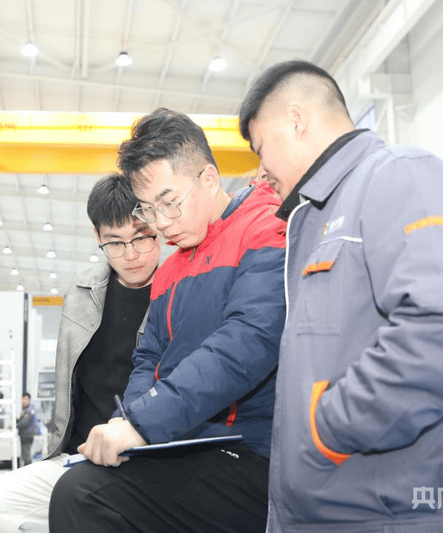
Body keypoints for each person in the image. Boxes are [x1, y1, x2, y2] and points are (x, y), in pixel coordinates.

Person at [239, 59, 443, 532]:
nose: (262, 170)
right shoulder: (318, 218)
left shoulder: (400, 176)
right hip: (340, 512)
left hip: (397, 515)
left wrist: (329, 426)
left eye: (261, 148)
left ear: (295, 119)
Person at [49, 108, 287, 533]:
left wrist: (143, 424)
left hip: (252, 451)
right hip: (186, 443)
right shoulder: (172, 268)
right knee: (78, 486)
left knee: (83, 496)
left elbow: (246, 344)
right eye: (148, 209)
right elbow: (149, 359)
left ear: (209, 179)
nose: (160, 223)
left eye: (169, 203)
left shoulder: (264, 227)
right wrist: (128, 421)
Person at [0, 173, 161, 532]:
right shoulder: (83, 289)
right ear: (97, 237)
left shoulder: (181, 287)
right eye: (115, 243)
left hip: (153, 461)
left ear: (158, 225)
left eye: (141, 237)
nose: (131, 255)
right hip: (79, 458)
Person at [16, 392, 38, 466]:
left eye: (26, 399)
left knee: (26, 455)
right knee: (24, 454)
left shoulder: (29, 410)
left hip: (27, 436)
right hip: (24, 435)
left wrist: (15, 425)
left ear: (29, 400)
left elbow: (23, 423)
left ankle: (29, 469)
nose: (24, 401)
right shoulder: (25, 409)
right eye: (23, 399)